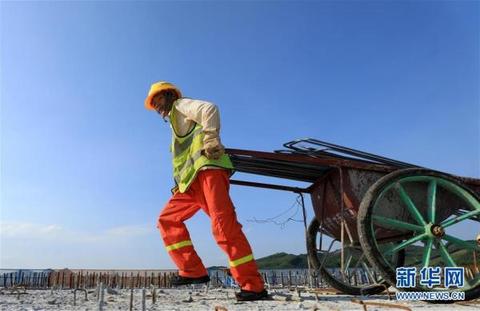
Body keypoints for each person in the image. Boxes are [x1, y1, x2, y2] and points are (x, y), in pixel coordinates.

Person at [145, 81, 268, 301]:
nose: (156, 106)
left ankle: (253, 286)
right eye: (153, 103)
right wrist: (178, 183)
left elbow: (209, 109)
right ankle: (193, 270)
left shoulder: (182, 105)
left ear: (169, 95)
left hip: (209, 171)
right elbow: (183, 160)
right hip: (190, 184)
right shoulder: (175, 122)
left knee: (224, 227)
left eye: (158, 99)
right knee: (167, 220)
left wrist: (211, 139)